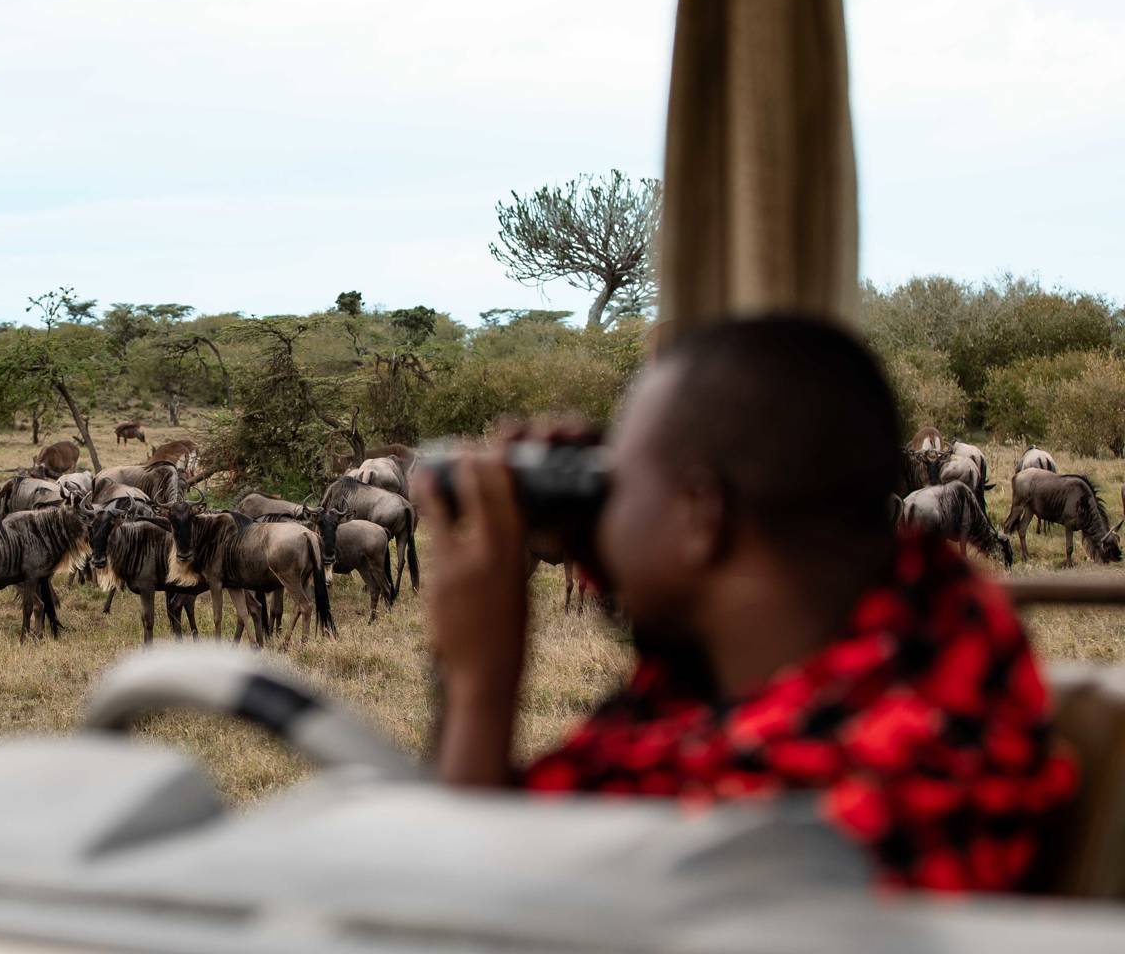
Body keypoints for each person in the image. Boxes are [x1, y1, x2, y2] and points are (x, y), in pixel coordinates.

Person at [416, 316, 1075, 893]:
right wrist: (628, 543)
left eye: (622, 481)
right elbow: (703, 663)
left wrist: (477, 682)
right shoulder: (942, 636)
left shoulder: (786, 824)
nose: (608, 505)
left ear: (702, 515)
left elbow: (467, 914)